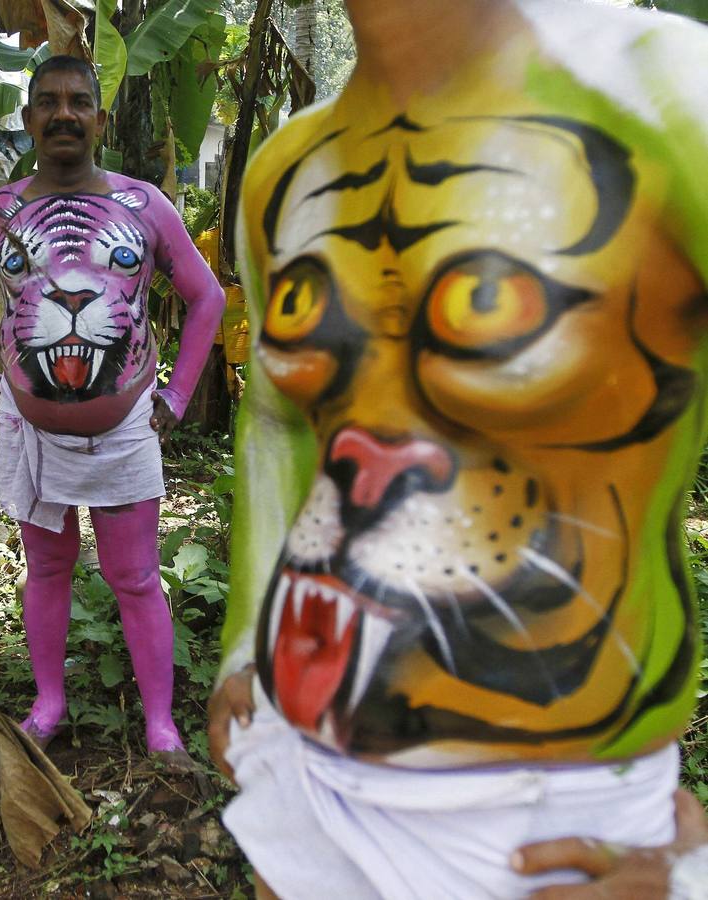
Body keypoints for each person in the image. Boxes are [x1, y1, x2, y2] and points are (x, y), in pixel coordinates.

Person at [208, 0, 708, 896]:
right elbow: (278, 420)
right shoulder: (287, 163)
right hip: (300, 777)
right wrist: (244, 645)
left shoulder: (665, 89)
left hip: (555, 823)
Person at [0, 55, 225, 767]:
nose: (63, 114)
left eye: (78, 102)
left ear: (99, 118)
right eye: (48, 102)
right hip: (32, 433)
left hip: (126, 432)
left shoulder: (144, 204)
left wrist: (178, 394)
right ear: (29, 118)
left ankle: (159, 727)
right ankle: (48, 705)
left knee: (135, 577)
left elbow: (206, 296)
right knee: (46, 570)